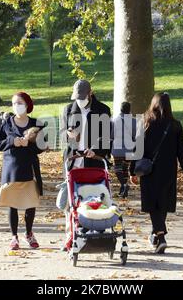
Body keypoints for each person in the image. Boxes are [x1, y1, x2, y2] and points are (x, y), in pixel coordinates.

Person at [130, 93, 183, 254]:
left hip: (149, 170)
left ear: (153, 104)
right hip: (168, 171)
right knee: (162, 204)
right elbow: (182, 154)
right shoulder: (175, 125)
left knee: (153, 204)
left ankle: (161, 236)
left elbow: (136, 150)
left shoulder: (145, 122)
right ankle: (155, 235)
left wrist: (132, 171)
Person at [60, 79, 112, 250]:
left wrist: (96, 151)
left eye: (83, 97)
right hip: (74, 161)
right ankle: (71, 236)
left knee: (93, 198)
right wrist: (69, 135)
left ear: (90, 93)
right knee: (71, 200)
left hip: (93, 161)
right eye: (77, 98)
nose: (80, 101)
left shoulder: (102, 110)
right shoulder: (68, 109)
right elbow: (62, 137)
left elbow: (106, 137)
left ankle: (94, 234)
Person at [0, 92, 46, 250]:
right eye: (14, 103)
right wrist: (13, 141)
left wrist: (30, 143)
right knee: (13, 203)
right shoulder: (7, 123)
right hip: (12, 168)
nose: (16, 106)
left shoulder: (36, 123)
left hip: (29, 167)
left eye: (20, 103)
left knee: (31, 203)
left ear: (27, 104)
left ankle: (29, 233)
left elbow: (42, 147)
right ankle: (14, 236)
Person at [111, 102, 136, 198]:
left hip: (117, 150)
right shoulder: (134, 121)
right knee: (125, 168)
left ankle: (124, 184)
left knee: (117, 168)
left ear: (120, 110)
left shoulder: (114, 121)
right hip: (129, 149)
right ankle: (123, 187)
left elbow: (111, 135)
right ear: (129, 110)